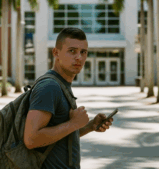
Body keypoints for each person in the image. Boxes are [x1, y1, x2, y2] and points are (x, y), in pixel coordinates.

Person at [23, 28, 114, 168]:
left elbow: (59, 137)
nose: (79, 57)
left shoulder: (61, 85)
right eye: (72, 51)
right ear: (56, 53)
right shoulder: (49, 87)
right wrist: (73, 124)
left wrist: (89, 126)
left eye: (83, 52)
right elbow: (31, 139)